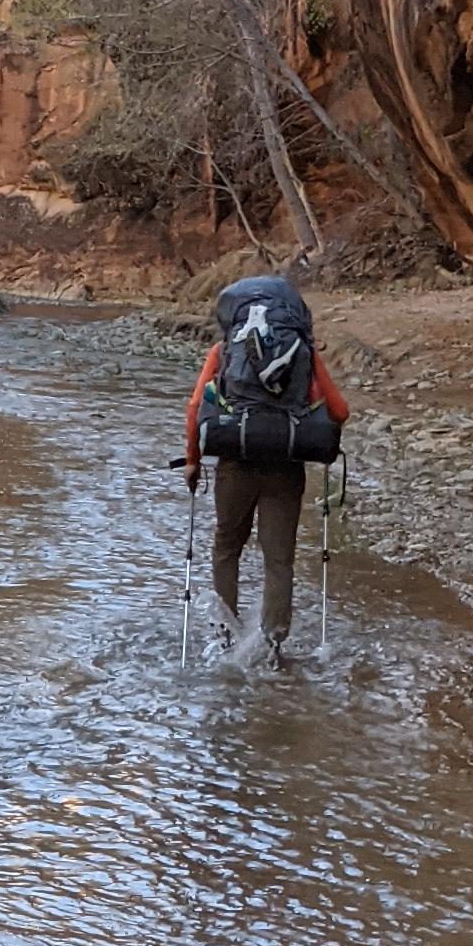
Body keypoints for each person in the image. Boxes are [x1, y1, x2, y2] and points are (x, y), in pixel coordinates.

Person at [183, 270, 349, 665]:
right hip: (286, 467)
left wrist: (192, 462)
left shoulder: (224, 352)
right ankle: (272, 647)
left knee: (227, 548)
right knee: (279, 559)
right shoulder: (303, 353)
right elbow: (340, 411)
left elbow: (194, 408)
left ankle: (225, 638)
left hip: (235, 463)